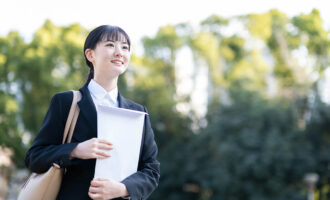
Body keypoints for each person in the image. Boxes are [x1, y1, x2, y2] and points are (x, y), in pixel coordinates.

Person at [24, 25, 160, 200]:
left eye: (125, 47)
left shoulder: (138, 113)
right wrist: (75, 150)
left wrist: (123, 188)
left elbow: (151, 170)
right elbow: (34, 158)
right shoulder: (66, 102)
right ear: (90, 54)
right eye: (110, 45)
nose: (119, 52)